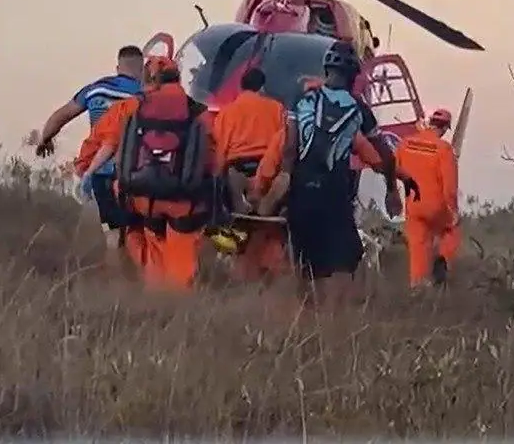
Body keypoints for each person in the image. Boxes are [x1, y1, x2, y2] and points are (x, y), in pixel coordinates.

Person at [265, 41, 402, 309]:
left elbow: (290, 147)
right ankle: (336, 322)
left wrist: (283, 178)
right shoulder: (358, 108)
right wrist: (391, 189)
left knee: (305, 264)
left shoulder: (302, 99)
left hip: (302, 191)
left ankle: (305, 322)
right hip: (334, 193)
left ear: (326, 71)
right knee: (344, 260)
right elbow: (386, 154)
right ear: (353, 76)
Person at [78, 55, 220, 291]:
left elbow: (109, 142)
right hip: (183, 201)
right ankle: (179, 305)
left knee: (150, 251)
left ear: (150, 78)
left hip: (142, 198)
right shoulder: (198, 111)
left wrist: (87, 170)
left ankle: (154, 303)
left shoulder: (133, 106)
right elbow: (214, 156)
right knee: (181, 263)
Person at [35, 45, 144, 254]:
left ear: (118, 66)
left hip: (99, 171)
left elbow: (62, 115)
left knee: (112, 233)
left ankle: (114, 280)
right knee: (139, 232)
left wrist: (45, 139)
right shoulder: (145, 94)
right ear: (141, 69)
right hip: (136, 172)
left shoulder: (96, 89)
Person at [394, 107, 461, 288]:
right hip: (436, 205)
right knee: (451, 231)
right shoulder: (444, 149)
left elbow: (394, 169)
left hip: (413, 206)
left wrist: (393, 192)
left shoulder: (405, 143)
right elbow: (450, 187)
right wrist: (453, 211)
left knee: (417, 247)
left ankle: (418, 285)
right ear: (445, 128)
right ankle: (442, 264)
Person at [213, 67, 286, 214]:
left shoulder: (227, 112)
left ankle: (241, 203)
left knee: (232, 179)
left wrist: (217, 178)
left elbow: (220, 148)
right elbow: (282, 143)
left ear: (241, 87)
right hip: (266, 168)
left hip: (237, 167)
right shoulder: (277, 108)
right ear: (262, 87)